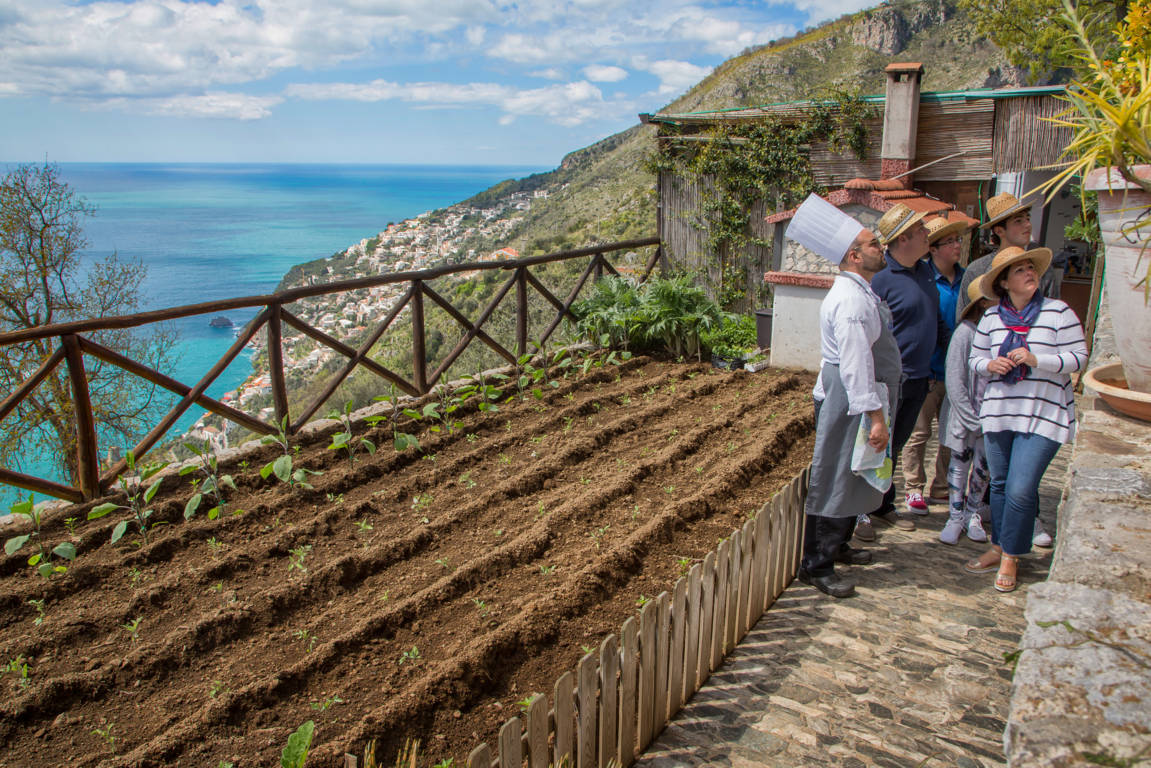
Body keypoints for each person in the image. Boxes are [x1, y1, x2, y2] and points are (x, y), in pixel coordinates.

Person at [785, 194, 899, 598]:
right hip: (850, 396)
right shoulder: (850, 300)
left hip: (857, 394)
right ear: (854, 256)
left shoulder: (861, 291)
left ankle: (840, 546)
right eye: (873, 245)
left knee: (854, 472)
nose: (880, 249)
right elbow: (854, 365)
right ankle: (817, 565)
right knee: (835, 475)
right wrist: (876, 416)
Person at [964, 246, 1087, 592]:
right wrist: (991, 365)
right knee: (1000, 485)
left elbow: (1078, 357)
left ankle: (1012, 556)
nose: (1029, 273)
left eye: (1031, 268)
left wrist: (1037, 360)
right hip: (1000, 413)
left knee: (1021, 488)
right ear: (1003, 282)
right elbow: (975, 359)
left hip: (1043, 415)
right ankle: (1000, 546)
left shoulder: (1059, 312)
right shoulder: (990, 319)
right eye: (1019, 270)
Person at [856, 203, 950, 540]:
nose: (929, 236)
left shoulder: (924, 272)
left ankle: (881, 503)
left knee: (896, 444)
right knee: (874, 445)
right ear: (905, 238)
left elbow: (932, 316)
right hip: (889, 381)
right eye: (923, 231)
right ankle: (859, 511)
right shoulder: (880, 277)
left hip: (918, 377)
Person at [901, 216, 969, 510]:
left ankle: (941, 486)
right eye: (950, 241)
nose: (957, 246)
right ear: (934, 248)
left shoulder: (967, 280)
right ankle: (913, 486)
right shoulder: (923, 278)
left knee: (951, 432)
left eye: (958, 240)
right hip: (927, 369)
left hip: (957, 371)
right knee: (918, 433)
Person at [938, 280, 995, 544]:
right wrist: (971, 418)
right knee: (960, 464)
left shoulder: (997, 333)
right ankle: (955, 514)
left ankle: (974, 512)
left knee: (983, 467)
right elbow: (955, 380)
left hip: (989, 415)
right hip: (965, 416)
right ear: (982, 303)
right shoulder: (965, 333)